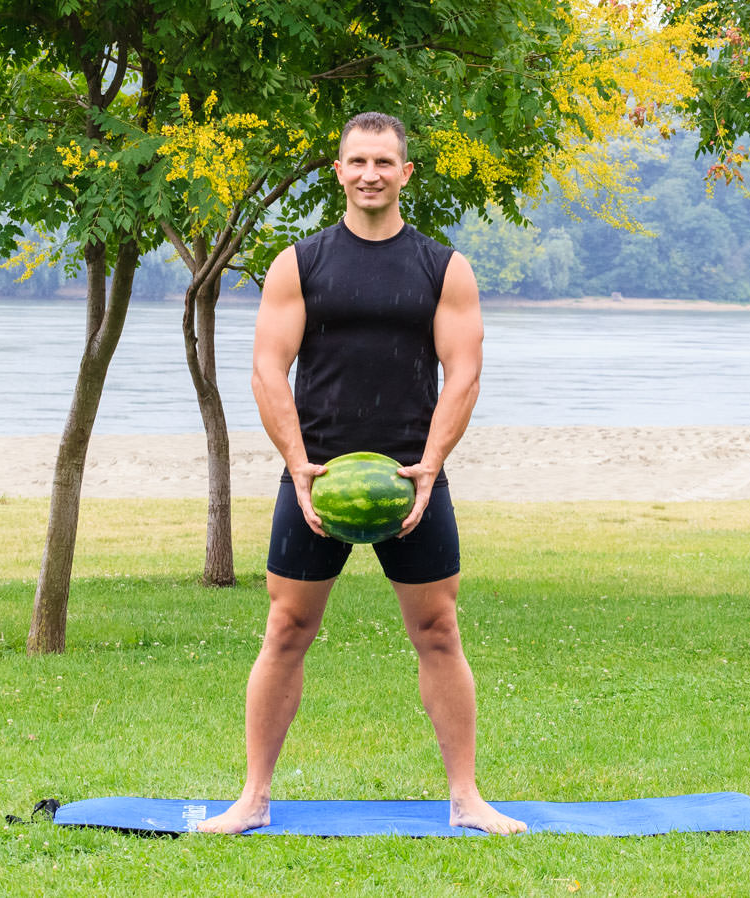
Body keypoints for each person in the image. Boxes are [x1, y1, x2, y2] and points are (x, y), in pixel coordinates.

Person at [198, 112, 525, 836]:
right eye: (357, 161)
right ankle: (251, 800)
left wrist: (431, 468)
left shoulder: (444, 268)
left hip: (414, 478)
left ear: (406, 174)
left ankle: (467, 799)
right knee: (285, 629)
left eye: (384, 161)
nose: (370, 173)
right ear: (337, 172)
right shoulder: (299, 264)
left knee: (439, 631)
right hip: (316, 478)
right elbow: (266, 369)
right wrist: (298, 466)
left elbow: (464, 373)